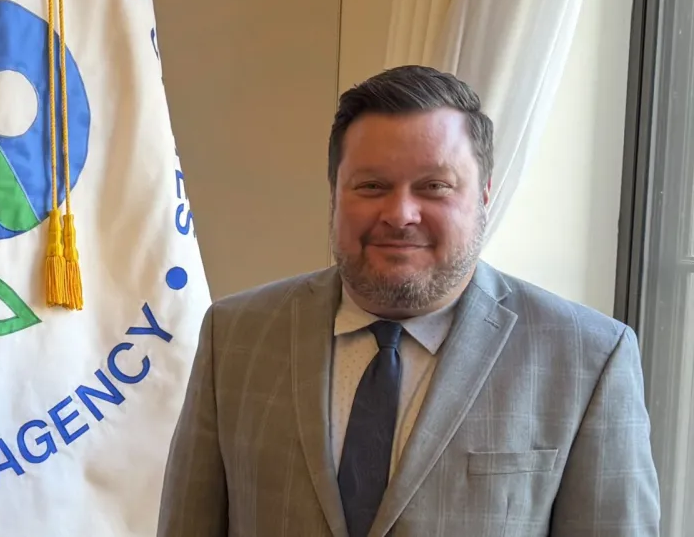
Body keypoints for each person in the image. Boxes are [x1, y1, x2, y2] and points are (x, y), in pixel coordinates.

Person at [157, 65, 660, 537]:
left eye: (434, 187)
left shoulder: (589, 357)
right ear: (334, 194)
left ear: (483, 196)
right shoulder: (236, 336)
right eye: (372, 185)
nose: (400, 214)